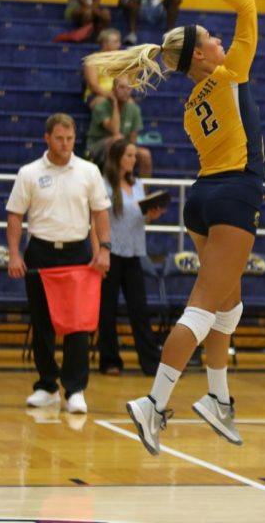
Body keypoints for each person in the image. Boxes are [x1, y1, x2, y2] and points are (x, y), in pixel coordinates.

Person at [83, 0, 265, 455]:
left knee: (229, 304)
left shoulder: (191, 105)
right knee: (203, 309)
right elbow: (247, 4)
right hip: (230, 200)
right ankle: (154, 404)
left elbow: (227, 159)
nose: (222, 40)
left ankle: (217, 401)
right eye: (212, 38)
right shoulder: (230, 76)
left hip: (205, 197)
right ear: (201, 57)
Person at [6, 113, 112, 414]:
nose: (65, 144)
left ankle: (75, 389)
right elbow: (15, 215)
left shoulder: (89, 171)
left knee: (78, 324)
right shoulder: (28, 173)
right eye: (59, 139)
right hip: (40, 252)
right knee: (42, 324)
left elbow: (101, 213)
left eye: (70, 138)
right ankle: (47, 385)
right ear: (47, 138)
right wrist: (14, 253)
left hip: (78, 253)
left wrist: (103, 249)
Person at [97, 138, 164, 376]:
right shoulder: (103, 185)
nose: (134, 160)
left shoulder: (138, 184)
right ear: (117, 158)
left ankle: (151, 362)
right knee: (107, 310)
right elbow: (98, 220)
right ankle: (109, 360)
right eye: (129, 155)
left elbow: (137, 217)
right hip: (111, 252)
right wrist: (99, 252)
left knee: (140, 309)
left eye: (134, 155)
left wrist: (150, 215)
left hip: (134, 251)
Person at [85, 75, 153, 177]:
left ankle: (143, 191)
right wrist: (115, 104)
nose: (125, 91)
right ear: (113, 89)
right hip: (96, 148)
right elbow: (114, 130)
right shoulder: (101, 106)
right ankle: (112, 186)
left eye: (128, 88)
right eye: (121, 87)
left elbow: (133, 139)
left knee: (145, 155)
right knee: (116, 141)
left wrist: (130, 151)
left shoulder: (134, 109)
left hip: (123, 146)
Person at [83, 28, 122, 109]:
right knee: (104, 103)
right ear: (104, 43)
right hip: (96, 95)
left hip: (117, 94)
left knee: (131, 104)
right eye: (115, 42)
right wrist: (110, 95)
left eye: (119, 42)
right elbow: (93, 86)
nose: (119, 45)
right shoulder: (92, 60)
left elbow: (124, 81)